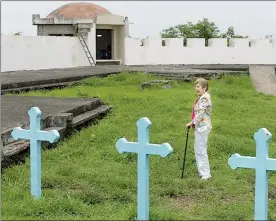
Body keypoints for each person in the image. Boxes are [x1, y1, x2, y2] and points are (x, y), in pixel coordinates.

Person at [186, 78, 212, 180]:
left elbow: (200, 114)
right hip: (200, 127)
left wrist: (192, 122)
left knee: (201, 150)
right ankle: (202, 172)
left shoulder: (204, 98)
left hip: (203, 127)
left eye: (198, 86)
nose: (196, 88)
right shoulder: (202, 97)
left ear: (204, 88)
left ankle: (206, 174)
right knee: (198, 150)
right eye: (195, 86)